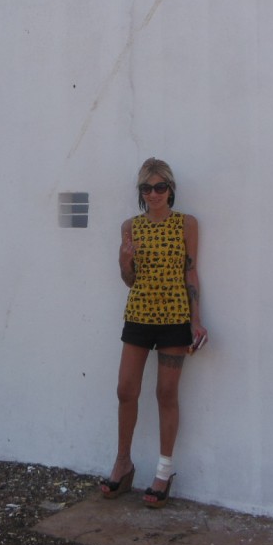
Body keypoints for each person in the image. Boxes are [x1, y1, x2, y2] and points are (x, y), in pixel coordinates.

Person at [99, 157, 208, 508]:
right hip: (140, 314)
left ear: (171, 189)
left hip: (175, 316)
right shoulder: (129, 227)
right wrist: (123, 260)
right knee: (125, 389)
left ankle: (163, 470)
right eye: (147, 188)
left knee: (166, 393)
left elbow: (190, 272)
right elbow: (129, 280)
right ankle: (123, 461)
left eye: (160, 187)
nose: (154, 194)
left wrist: (196, 320)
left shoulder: (186, 224)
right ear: (140, 192)